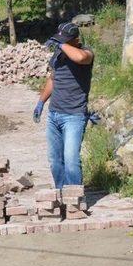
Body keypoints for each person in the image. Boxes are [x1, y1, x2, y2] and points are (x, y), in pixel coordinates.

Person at [33, 22, 95, 189]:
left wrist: (61, 44)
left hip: (74, 116)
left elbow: (80, 58)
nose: (62, 44)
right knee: (55, 160)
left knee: (71, 159)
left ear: (76, 40)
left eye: (66, 41)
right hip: (54, 115)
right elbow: (53, 79)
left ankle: (74, 199)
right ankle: (61, 194)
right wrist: (41, 102)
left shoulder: (87, 52)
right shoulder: (58, 54)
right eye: (60, 40)